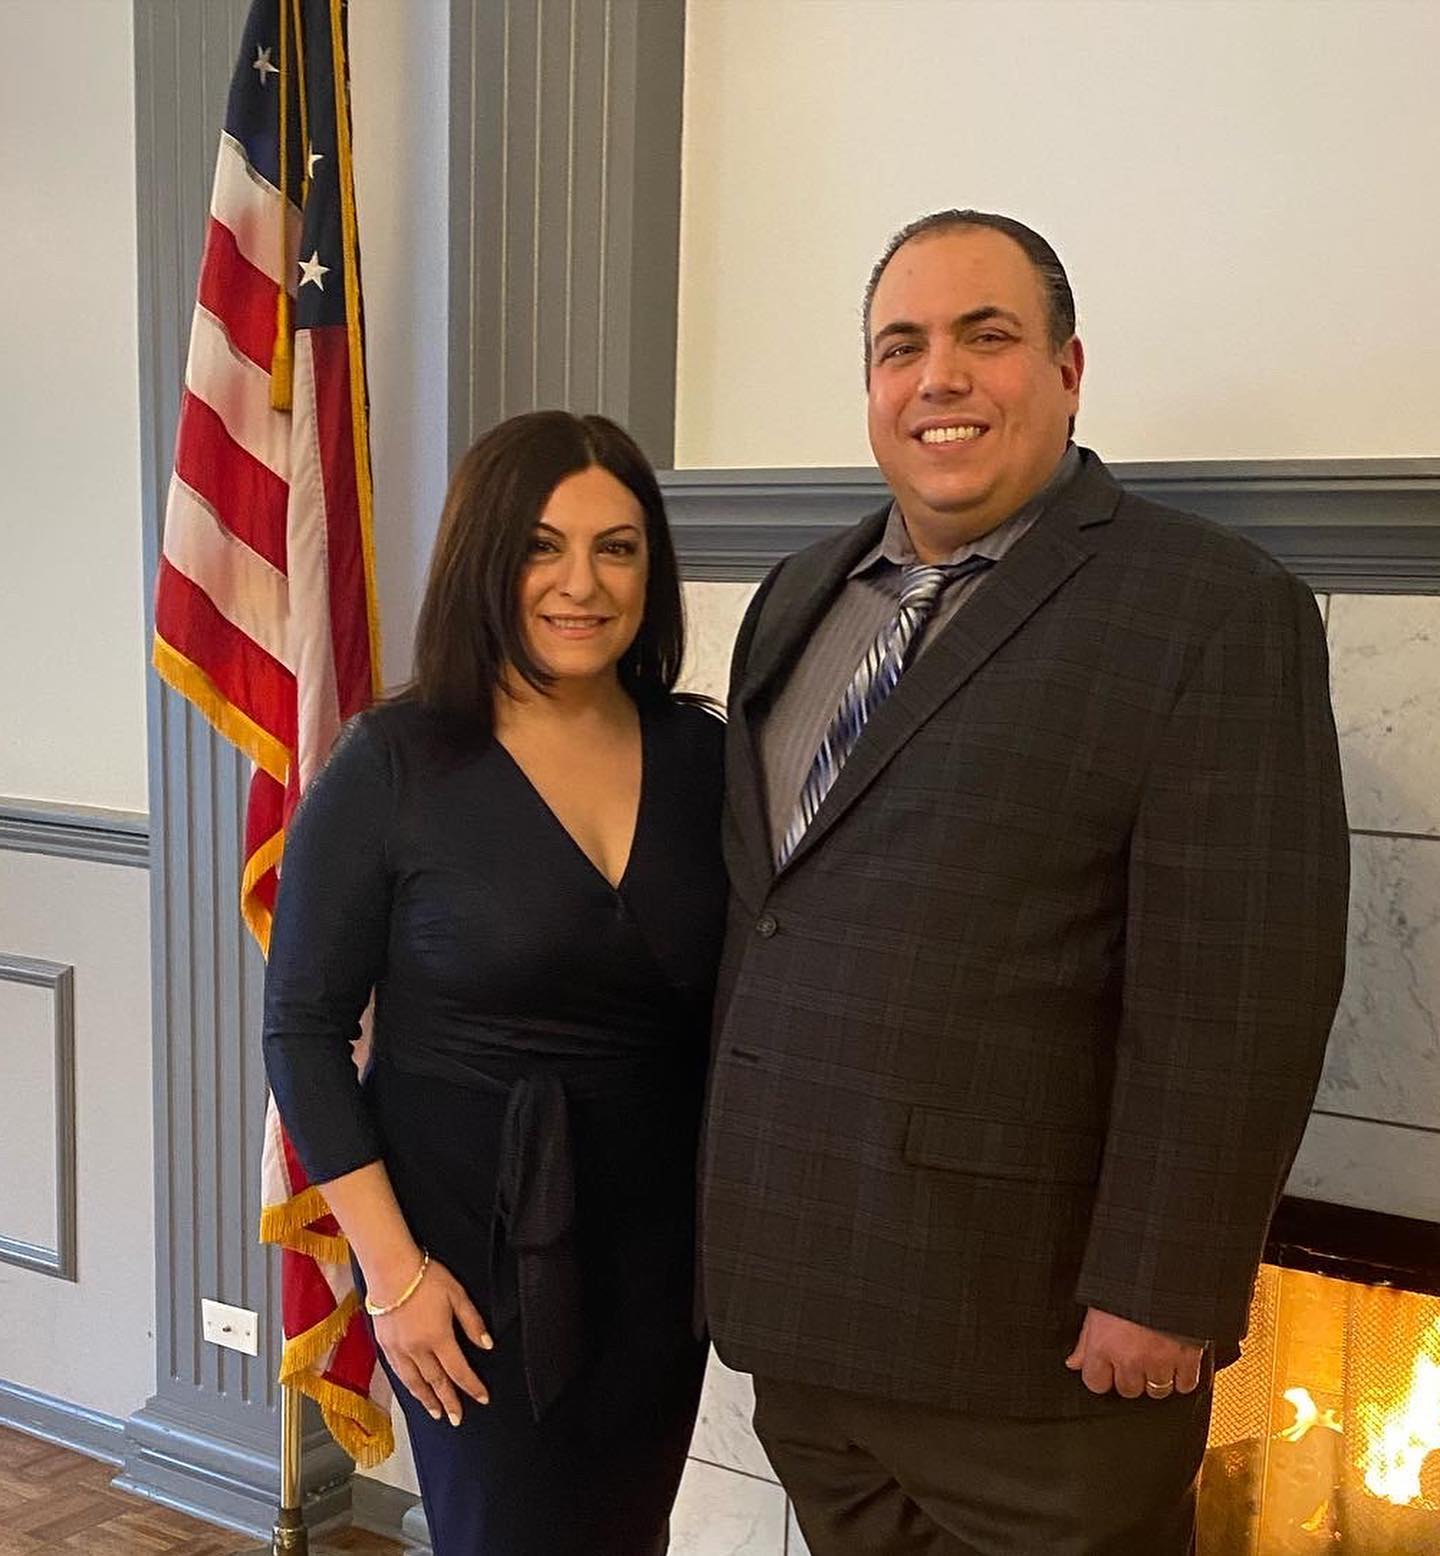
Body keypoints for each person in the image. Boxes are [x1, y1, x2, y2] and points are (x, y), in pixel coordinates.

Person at [699, 210, 1350, 1554]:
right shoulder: (796, 595)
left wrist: (1164, 1288)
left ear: (1067, 369)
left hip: (1041, 1364)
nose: (939, 376)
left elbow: (1242, 991)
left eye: (986, 337)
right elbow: (776, 920)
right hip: (810, 1338)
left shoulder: (1214, 611)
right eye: (900, 345)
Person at [262, 410, 727, 1556]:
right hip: (464, 1264)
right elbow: (303, 1028)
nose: (583, 581)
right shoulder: (393, 762)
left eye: (617, 547)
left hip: (662, 1261)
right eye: (541, 545)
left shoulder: (706, 756)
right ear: (484, 558)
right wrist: (392, 1273)